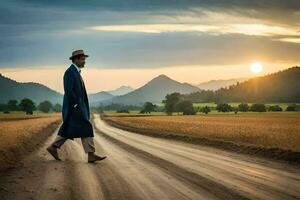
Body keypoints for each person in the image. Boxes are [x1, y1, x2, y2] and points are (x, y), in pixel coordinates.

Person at [47, 50, 107, 163]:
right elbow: (68, 90)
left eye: (84, 59)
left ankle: (53, 147)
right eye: (82, 59)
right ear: (76, 60)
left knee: (70, 127)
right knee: (86, 126)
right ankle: (91, 154)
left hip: (76, 106)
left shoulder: (76, 72)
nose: (84, 62)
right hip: (74, 106)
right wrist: (75, 104)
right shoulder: (70, 72)